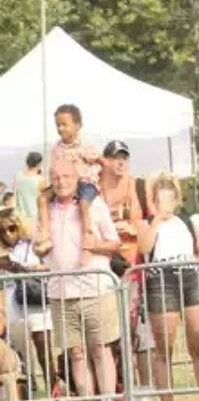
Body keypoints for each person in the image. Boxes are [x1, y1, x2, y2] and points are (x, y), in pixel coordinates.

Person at [44, 158, 121, 396]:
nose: (61, 182)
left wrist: (93, 246)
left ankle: (107, 397)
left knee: (100, 348)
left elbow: (114, 242)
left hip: (95, 289)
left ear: (76, 178)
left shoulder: (94, 205)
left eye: (66, 177)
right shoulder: (46, 209)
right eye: (56, 177)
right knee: (76, 353)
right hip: (61, 292)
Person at [137, 176, 199, 399]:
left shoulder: (186, 221)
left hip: (189, 275)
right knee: (164, 347)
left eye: (169, 199)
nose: (165, 204)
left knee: (198, 342)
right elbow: (145, 246)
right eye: (160, 200)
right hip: (161, 279)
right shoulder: (148, 223)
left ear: (177, 200)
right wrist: (157, 219)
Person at [0, 208, 59, 396]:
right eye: (2, 230)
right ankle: (27, 389)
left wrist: (18, 267)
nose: (7, 233)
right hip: (11, 301)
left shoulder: (33, 244)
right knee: (18, 350)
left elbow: (50, 266)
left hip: (35, 299)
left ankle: (53, 389)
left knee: (44, 348)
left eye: (11, 228)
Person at [36, 104, 102, 255]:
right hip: (65, 183)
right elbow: (55, 170)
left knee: (84, 203)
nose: (60, 129)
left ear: (77, 126)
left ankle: (88, 236)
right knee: (42, 199)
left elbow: (101, 162)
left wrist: (98, 168)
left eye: (64, 125)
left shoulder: (85, 144)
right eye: (58, 125)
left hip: (85, 181)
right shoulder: (57, 149)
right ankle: (45, 235)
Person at [98, 140, 143, 272]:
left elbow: (155, 222)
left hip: (135, 264)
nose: (121, 163)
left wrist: (133, 228)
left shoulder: (140, 186)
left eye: (124, 158)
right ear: (105, 161)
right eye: (115, 158)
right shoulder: (94, 189)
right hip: (105, 265)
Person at [13, 151, 44, 226]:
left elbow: (14, 195)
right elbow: (43, 200)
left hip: (20, 218)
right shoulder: (40, 179)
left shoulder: (18, 175)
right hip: (34, 219)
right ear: (38, 164)